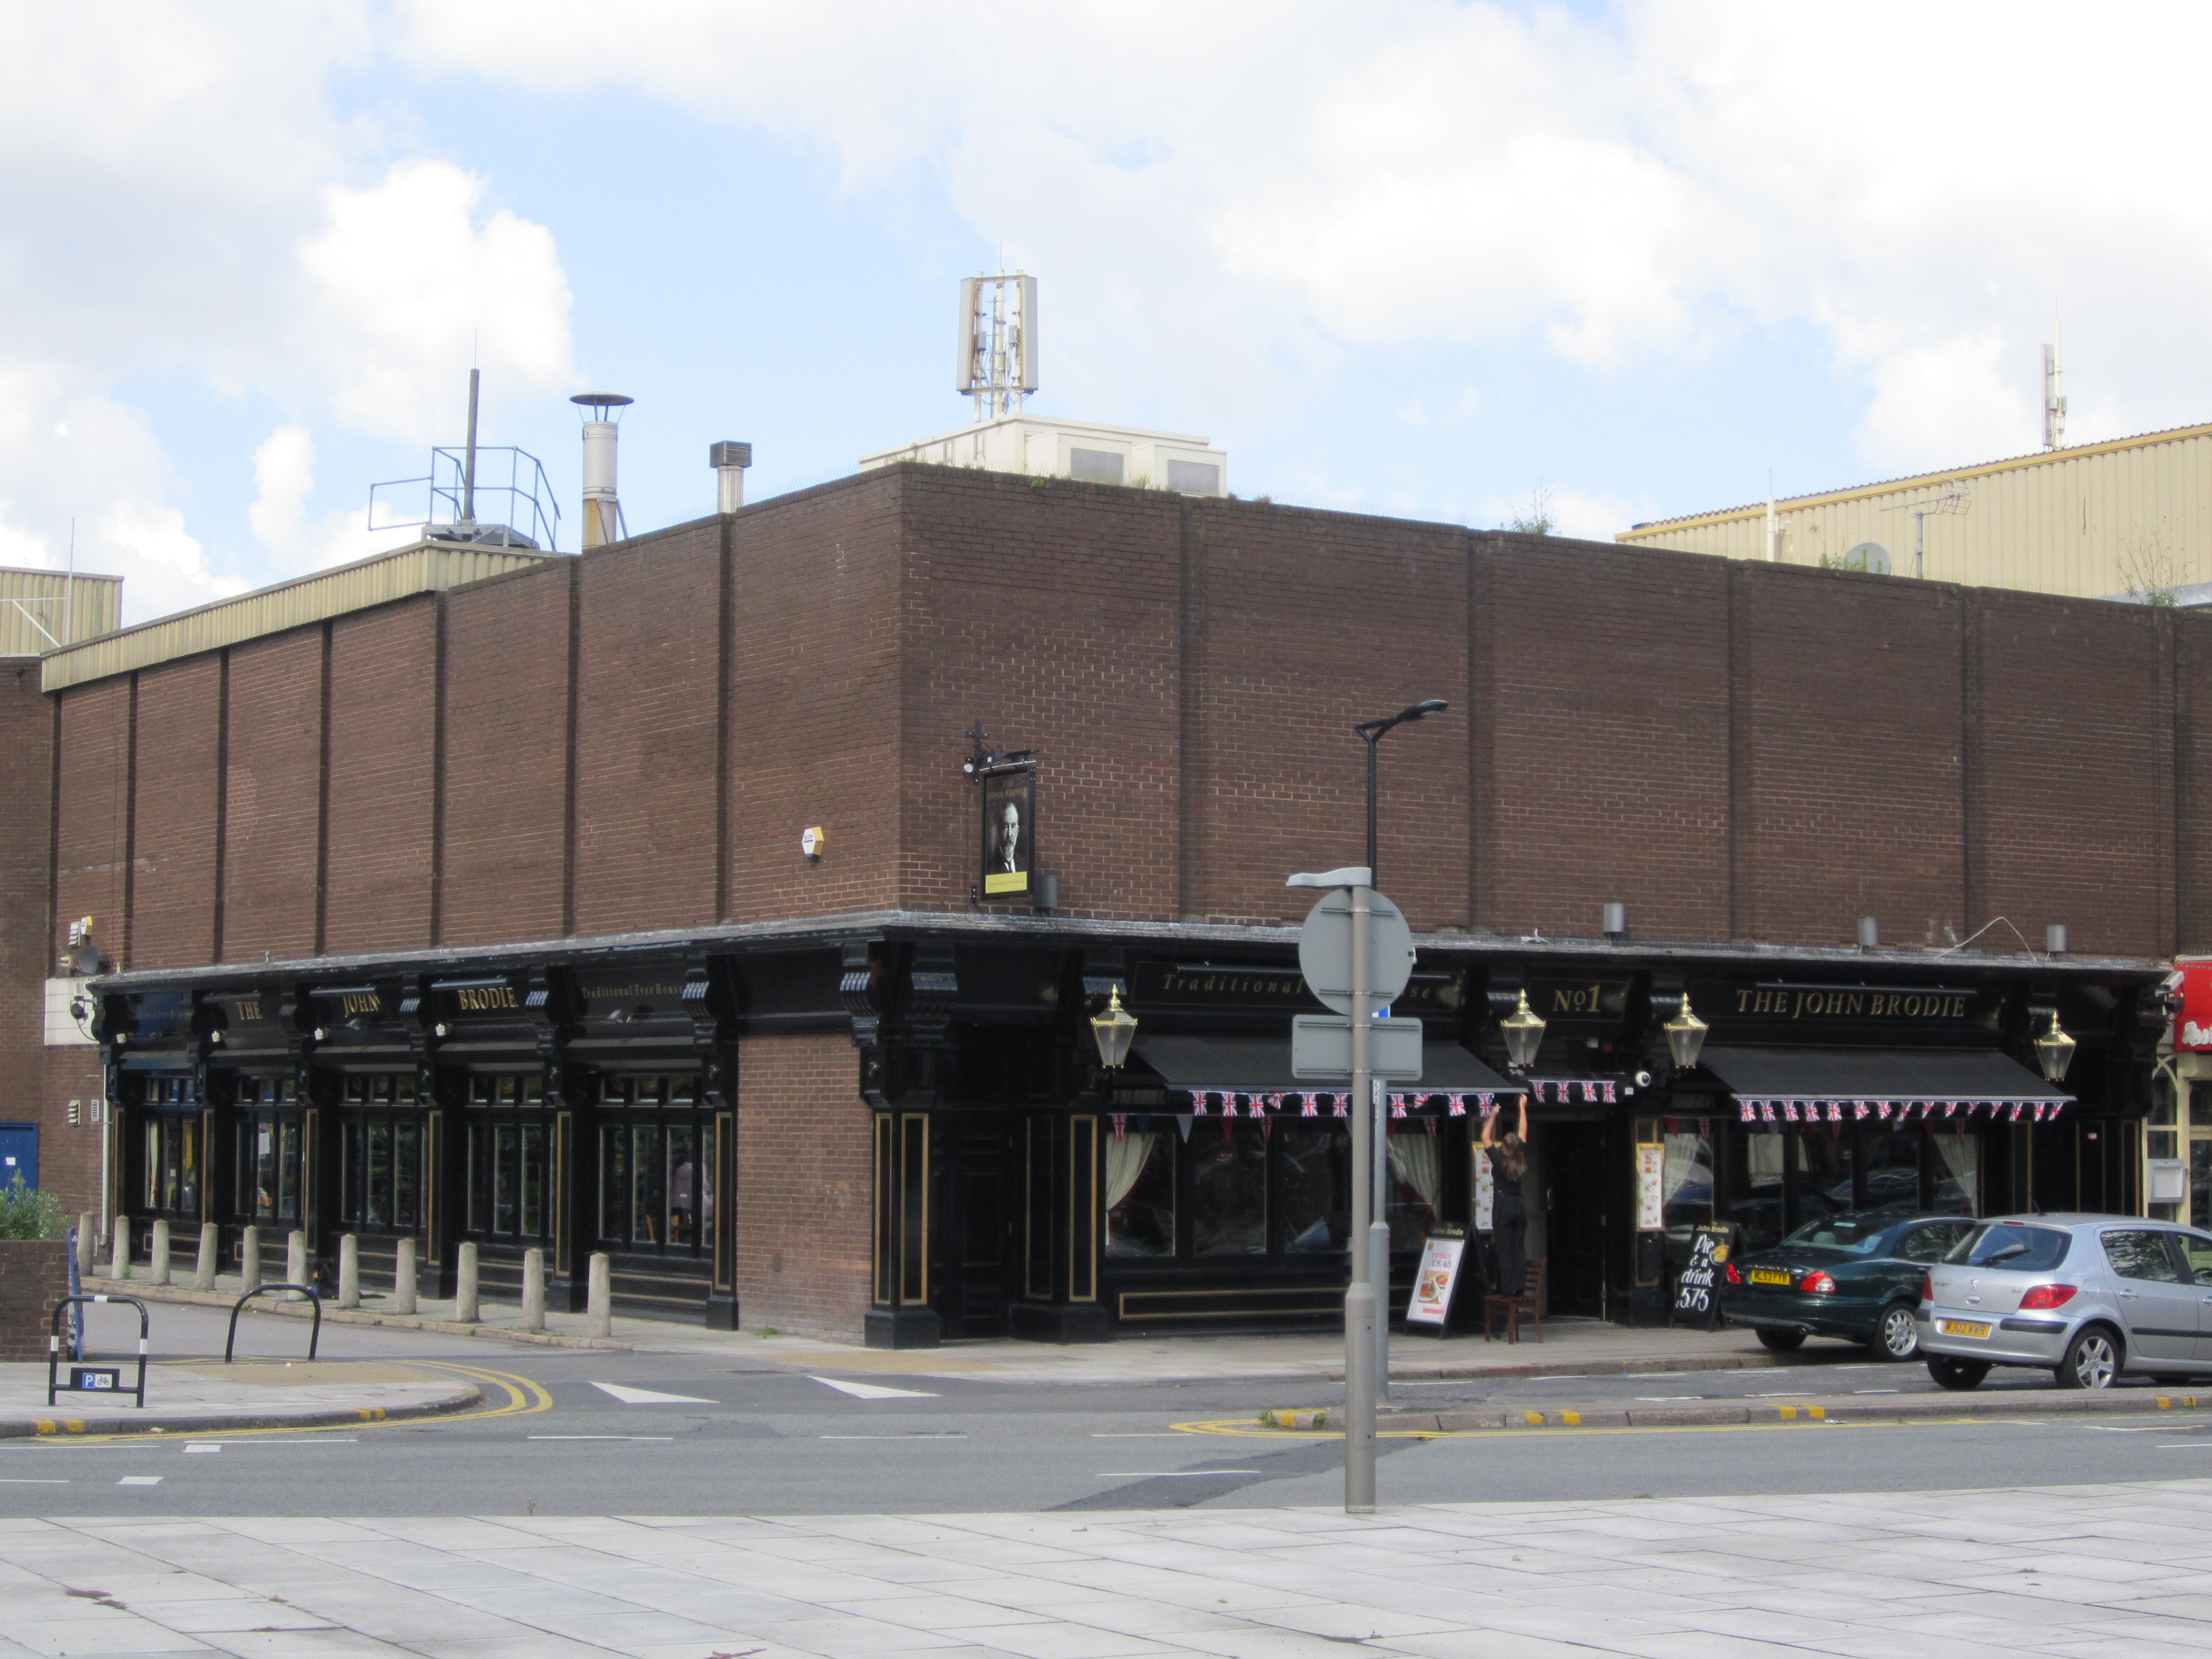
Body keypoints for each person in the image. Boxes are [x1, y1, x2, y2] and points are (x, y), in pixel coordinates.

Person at [1479, 1094, 1530, 1297]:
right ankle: (1520, 1287)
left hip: (1504, 1207)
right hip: (1520, 1206)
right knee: (1518, 1248)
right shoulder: (1519, 1157)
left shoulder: (1499, 1160)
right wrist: (1522, 1107)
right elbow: (1523, 1132)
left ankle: (1508, 1290)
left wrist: (1493, 1115)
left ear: (1505, 1147)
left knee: (1505, 1250)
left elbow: (1485, 1137)